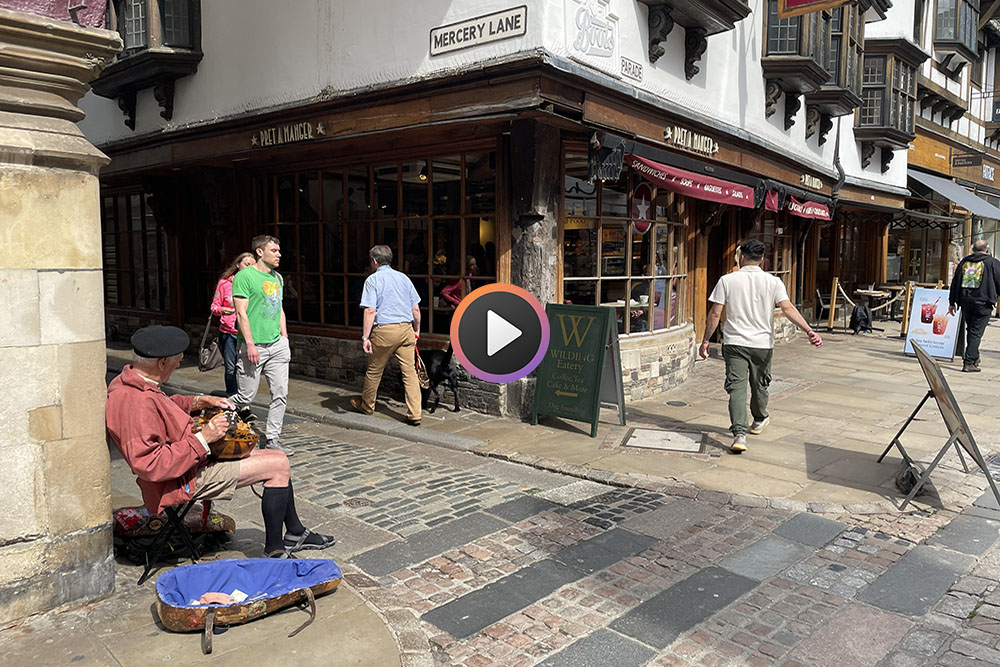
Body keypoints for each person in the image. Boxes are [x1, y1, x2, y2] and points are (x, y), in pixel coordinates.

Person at [106, 325, 334, 558]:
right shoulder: (136, 403)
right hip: (178, 481)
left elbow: (166, 406)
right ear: (162, 363)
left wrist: (201, 401)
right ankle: (275, 550)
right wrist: (205, 438)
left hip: (186, 466)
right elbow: (151, 465)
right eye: (176, 362)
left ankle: (295, 532)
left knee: (278, 458)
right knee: (278, 466)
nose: (176, 367)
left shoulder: (134, 384)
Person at [699, 239, 822, 453]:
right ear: (762, 260)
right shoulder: (773, 282)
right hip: (762, 344)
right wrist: (809, 330)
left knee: (736, 388)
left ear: (742, 257)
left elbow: (716, 313)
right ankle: (759, 418)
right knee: (760, 384)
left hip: (734, 342)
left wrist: (706, 340)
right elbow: (788, 308)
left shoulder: (727, 280)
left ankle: (739, 434)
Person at [232, 235, 293, 456]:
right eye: (274, 250)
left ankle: (272, 439)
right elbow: (241, 313)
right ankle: (214, 412)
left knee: (280, 393)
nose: (279, 254)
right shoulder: (244, 277)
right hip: (253, 345)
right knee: (245, 396)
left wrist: (284, 338)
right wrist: (250, 344)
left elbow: (279, 309)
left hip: (277, 345)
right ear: (260, 252)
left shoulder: (278, 278)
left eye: (279, 250)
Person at [350, 245, 422, 425]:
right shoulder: (404, 278)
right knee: (410, 373)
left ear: (374, 261)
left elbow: (370, 310)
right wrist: (417, 330)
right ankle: (415, 413)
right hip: (406, 329)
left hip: (384, 331)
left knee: (374, 370)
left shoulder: (373, 280)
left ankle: (367, 406)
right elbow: (415, 309)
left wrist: (365, 337)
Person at [949, 239, 1000, 372]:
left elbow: (955, 282)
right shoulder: (992, 263)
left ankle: (974, 357)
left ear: (973, 250)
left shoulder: (964, 262)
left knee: (971, 330)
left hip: (965, 301)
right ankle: (969, 362)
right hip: (983, 302)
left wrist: (952, 302)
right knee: (976, 332)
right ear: (987, 250)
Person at [211, 252, 255, 396]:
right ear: (238, 265)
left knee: (246, 369)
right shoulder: (225, 283)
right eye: (246, 264)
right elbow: (214, 307)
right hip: (228, 332)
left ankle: (243, 399)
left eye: (253, 265)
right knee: (231, 368)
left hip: (248, 333)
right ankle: (232, 396)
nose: (250, 268)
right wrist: (223, 310)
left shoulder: (255, 284)